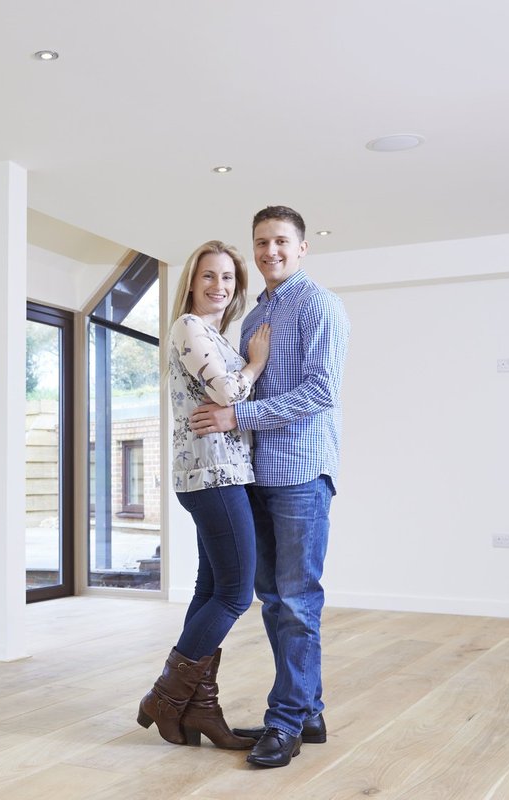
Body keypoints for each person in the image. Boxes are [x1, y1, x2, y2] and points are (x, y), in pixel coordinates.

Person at [189, 206, 350, 768]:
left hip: (302, 474)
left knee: (297, 602)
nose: (270, 252)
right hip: (256, 476)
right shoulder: (258, 309)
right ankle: (306, 712)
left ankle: (285, 721)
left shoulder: (321, 306)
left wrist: (239, 418)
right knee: (276, 601)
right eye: (261, 242)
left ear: (302, 247)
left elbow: (320, 392)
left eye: (281, 241)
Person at [137, 240, 270, 750]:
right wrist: (255, 363)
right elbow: (228, 393)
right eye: (209, 276)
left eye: (229, 279)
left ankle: (198, 710)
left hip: (217, 473)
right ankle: (164, 698)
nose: (219, 286)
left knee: (211, 589)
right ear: (191, 282)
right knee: (236, 594)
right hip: (214, 476)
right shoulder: (189, 327)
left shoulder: (211, 332)